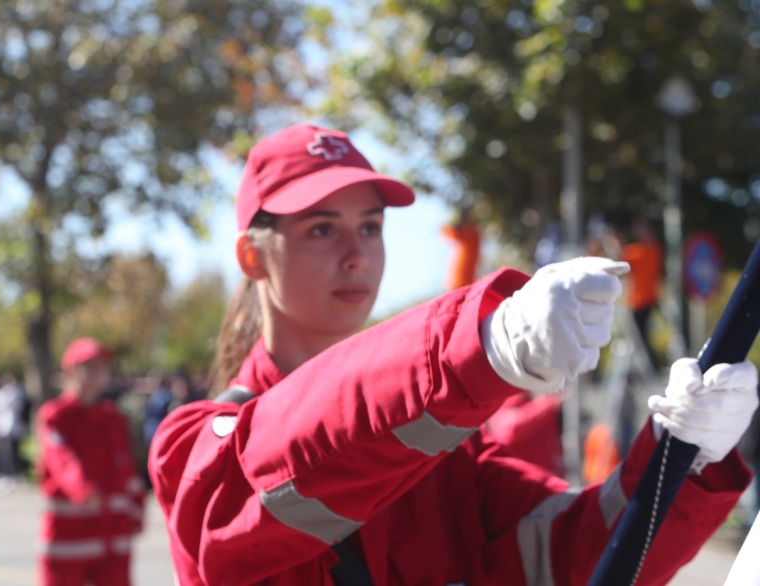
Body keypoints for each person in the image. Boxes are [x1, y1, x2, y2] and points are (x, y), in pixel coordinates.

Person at [147, 123, 756, 585]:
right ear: (253, 256)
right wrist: (478, 348)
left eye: (370, 227)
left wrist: (684, 458)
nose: (356, 255)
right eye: (321, 229)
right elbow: (278, 458)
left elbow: (569, 554)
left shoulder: (447, 453)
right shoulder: (195, 448)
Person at [36, 337, 144, 586]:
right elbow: (61, 458)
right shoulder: (56, 415)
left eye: (102, 366)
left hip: (112, 539)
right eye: (89, 366)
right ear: (71, 371)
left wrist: (137, 510)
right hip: (69, 539)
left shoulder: (113, 418)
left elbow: (126, 469)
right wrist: (83, 489)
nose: (98, 373)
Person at [621, 217, 664, 362]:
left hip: (645, 300)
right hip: (637, 300)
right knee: (638, 336)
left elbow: (625, 258)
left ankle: (650, 364)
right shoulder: (637, 250)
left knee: (640, 336)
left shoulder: (651, 250)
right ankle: (646, 365)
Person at [440, 207, 481, 289]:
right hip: (463, 280)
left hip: (460, 280)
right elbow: (445, 234)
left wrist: (457, 226)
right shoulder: (472, 234)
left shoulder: (470, 234)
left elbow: (445, 233)